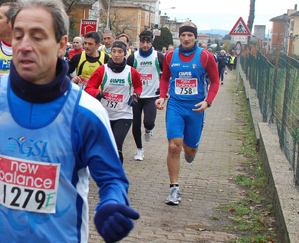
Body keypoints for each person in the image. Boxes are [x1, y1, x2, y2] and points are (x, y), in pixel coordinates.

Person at [0, 0, 138, 243]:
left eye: (38, 37)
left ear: (62, 45)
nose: (25, 46)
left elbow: (112, 179)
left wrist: (111, 204)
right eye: (18, 36)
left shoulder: (85, 112)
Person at [155, 21, 220, 205]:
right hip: (175, 105)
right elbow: (165, 78)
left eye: (189, 35)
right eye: (183, 35)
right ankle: (174, 189)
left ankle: (190, 152)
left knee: (190, 149)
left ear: (195, 37)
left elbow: (215, 82)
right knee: (174, 145)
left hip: (195, 108)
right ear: (179, 37)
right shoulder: (169, 56)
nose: (186, 38)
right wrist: (162, 97)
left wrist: (208, 102)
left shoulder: (206, 57)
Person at [85, 40, 142, 163]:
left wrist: (136, 95)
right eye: (114, 52)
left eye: (120, 52)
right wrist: (97, 93)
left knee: (116, 146)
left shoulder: (131, 71)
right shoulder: (102, 70)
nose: (116, 55)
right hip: (105, 115)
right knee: (105, 147)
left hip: (124, 115)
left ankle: (116, 177)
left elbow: (138, 86)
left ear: (125, 53)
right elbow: (89, 87)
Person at [127, 30, 164, 161]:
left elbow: (166, 75)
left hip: (152, 95)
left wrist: (164, 91)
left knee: (148, 122)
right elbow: (127, 74)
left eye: (148, 42)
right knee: (136, 124)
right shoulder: (133, 57)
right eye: (142, 42)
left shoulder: (158, 56)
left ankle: (149, 129)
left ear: (151, 42)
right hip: (137, 95)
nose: (145, 45)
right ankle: (139, 149)